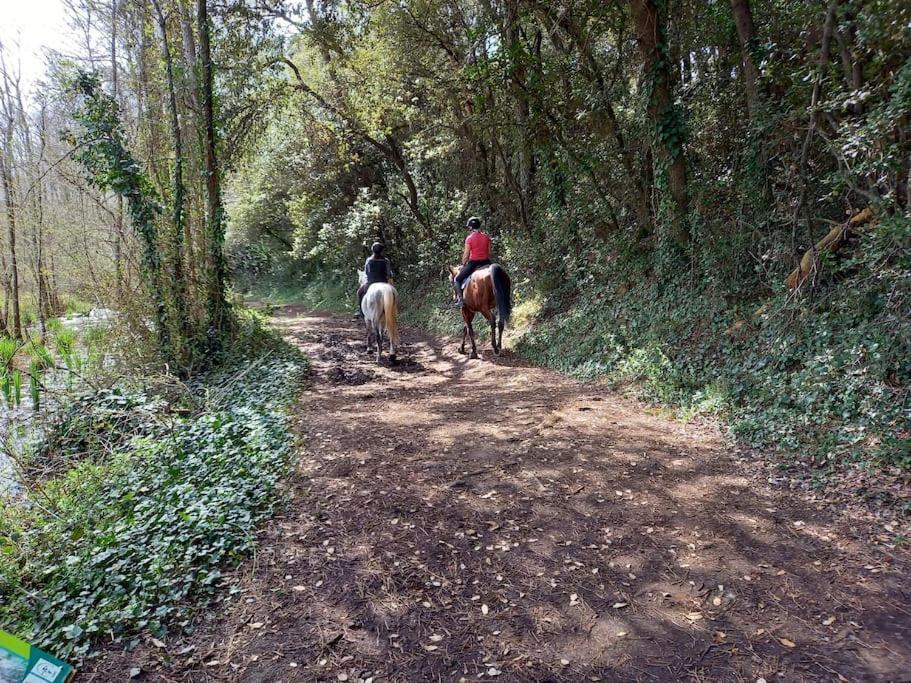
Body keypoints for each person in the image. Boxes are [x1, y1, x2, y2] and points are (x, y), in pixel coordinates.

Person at [452, 216, 492, 308]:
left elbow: (466, 256)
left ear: (470, 227)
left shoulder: (469, 239)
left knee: (457, 279)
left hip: (474, 263)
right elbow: (489, 253)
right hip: (486, 262)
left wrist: (463, 264)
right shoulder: (486, 237)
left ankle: (461, 300)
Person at [355, 242, 393, 319]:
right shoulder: (386, 260)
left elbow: (366, 272)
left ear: (372, 250)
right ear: (382, 251)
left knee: (359, 293)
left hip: (371, 282)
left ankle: (361, 312)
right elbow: (389, 273)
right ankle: (394, 309)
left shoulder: (369, 260)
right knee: (392, 294)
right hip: (384, 282)